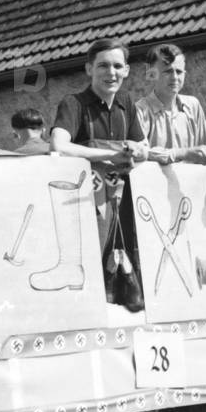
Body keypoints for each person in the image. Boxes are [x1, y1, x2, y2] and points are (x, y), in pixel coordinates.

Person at [50, 38, 150, 310]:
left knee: (127, 261)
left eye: (118, 66)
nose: (111, 73)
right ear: (89, 69)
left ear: (127, 70)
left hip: (122, 198)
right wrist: (109, 155)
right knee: (91, 259)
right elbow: (59, 145)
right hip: (85, 202)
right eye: (103, 66)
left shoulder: (126, 103)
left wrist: (138, 150)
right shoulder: (74, 103)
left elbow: (143, 145)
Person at [135, 44, 206, 164]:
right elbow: (139, 153)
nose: (175, 77)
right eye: (168, 71)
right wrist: (183, 154)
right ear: (151, 74)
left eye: (179, 71)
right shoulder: (139, 111)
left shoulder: (193, 106)